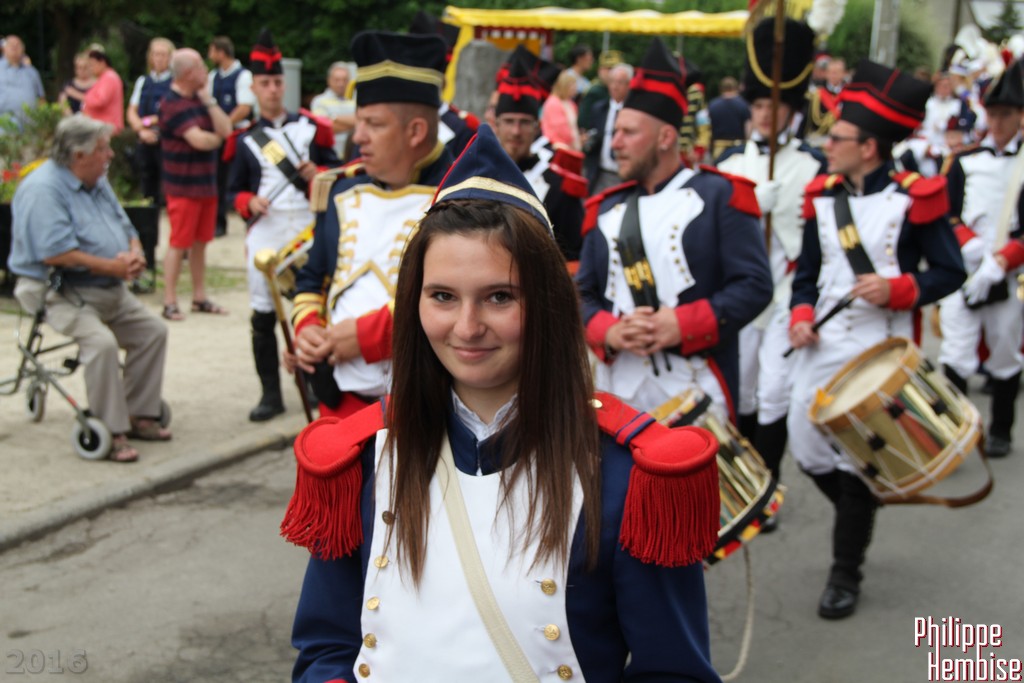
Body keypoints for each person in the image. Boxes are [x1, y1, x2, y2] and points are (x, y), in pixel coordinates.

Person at [282, 123, 723, 682]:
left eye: (498, 297)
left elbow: (674, 672)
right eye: (443, 296)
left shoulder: (627, 476)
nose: (467, 327)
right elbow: (326, 648)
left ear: (547, 303)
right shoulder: (362, 460)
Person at [787, 60, 966, 619]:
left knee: (854, 461)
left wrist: (899, 288)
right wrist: (800, 316)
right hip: (821, 345)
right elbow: (806, 275)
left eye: (837, 138)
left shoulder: (917, 196)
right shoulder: (822, 195)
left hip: (878, 349)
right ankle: (863, 505)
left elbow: (950, 270)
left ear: (868, 148)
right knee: (806, 448)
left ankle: (846, 569)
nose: (827, 145)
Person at [576, 37, 773, 420]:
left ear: (666, 137)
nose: (615, 144)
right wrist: (608, 331)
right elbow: (582, 293)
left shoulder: (720, 195)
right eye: (616, 132)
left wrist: (682, 324)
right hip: (619, 392)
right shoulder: (605, 209)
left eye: (629, 133)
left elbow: (754, 286)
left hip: (698, 388)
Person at [291, 30, 453, 419]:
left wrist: (368, 337)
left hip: (429, 410)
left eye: (373, 124)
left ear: (415, 131)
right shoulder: (341, 190)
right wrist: (307, 329)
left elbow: (460, 303)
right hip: (339, 406)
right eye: (359, 121)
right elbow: (312, 281)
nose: (358, 136)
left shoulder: (464, 198)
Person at [7, 115, 170, 463]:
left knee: (152, 332)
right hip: (57, 291)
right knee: (101, 344)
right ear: (78, 155)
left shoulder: (96, 179)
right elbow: (56, 253)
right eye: (102, 149)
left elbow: (125, 225)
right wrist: (115, 266)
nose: (110, 155)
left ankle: (139, 413)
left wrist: (135, 254)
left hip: (107, 286)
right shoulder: (43, 190)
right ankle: (111, 428)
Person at [715, 18, 825, 502]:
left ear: (792, 110)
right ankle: (741, 483)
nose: (764, 114)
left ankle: (768, 481)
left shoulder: (813, 165)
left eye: (774, 105)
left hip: (785, 291)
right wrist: (748, 207)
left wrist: (780, 217)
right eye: (758, 105)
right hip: (742, 293)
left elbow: (816, 243)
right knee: (740, 391)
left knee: (775, 390)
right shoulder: (729, 165)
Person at [227, 30, 339, 422]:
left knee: (313, 308)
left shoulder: (313, 127)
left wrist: (317, 172)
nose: (272, 89)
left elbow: (339, 174)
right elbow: (232, 191)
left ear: (284, 84)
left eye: (277, 82)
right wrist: (248, 202)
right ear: (254, 88)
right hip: (267, 233)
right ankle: (271, 394)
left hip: (308, 230)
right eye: (265, 83)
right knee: (263, 316)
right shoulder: (244, 140)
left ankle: (315, 386)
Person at [939, 58, 1024, 458]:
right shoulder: (965, 160)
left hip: (1009, 273)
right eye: (993, 114)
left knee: (1005, 353)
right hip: (966, 268)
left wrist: (1002, 261)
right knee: (955, 352)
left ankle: (1001, 430)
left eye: (1006, 114)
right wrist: (968, 243)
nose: (998, 122)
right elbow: (946, 212)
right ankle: (956, 431)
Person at [493, 46, 588, 262]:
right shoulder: (476, 177)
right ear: (496, 125)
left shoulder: (560, 188)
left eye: (524, 123)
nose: (516, 131)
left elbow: (573, 260)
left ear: (537, 127)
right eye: (509, 121)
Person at [159, 48, 233, 321]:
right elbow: (200, 141)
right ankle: (169, 300)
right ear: (189, 73)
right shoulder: (171, 103)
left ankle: (199, 297)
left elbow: (226, 130)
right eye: (201, 67)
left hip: (206, 185)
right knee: (179, 244)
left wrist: (209, 101)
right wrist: (215, 139)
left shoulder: (201, 100)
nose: (206, 71)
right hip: (183, 188)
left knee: (201, 243)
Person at [208, 36, 256, 237]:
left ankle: (250, 218)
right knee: (218, 179)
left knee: (242, 177)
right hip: (220, 135)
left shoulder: (243, 75)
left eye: (212, 51)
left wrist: (225, 124)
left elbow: (244, 107)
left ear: (221, 52)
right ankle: (219, 222)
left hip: (238, 135)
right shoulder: (213, 76)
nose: (209, 55)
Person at [126, 37, 175, 204]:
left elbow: (173, 112)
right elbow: (132, 111)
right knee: (146, 180)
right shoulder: (143, 81)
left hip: (165, 138)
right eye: (155, 54)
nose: (159, 59)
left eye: (163, 55)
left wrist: (150, 122)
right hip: (144, 138)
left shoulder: (175, 82)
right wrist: (141, 129)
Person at [583, 63, 631, 195]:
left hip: (622, 176)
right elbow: (592, 134)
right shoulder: (599, 108)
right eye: (612, 82)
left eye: (620, 82)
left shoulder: (633, 111)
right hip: (599, 174)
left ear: (629, 85)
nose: (615, 86)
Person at [309, 62, 356, 160]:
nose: (341, 84)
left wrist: (333, 117)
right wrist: (354, 124)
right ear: (329, 80)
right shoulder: (319, 101)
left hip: (354, 157)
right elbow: (324, 128)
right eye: (337, 80)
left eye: (344, 80)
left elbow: (363, 121)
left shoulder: (358, 99)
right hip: (331, 159)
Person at [0, 35, 45, 122]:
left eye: (18, 45)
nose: (14, 47)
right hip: (3, 125)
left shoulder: (32, 72)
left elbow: (41, 99)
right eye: (11, 44)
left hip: (30, 125)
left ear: (23, 49)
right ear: (3, 48)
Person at [707, 76, 750, 161]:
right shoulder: (743, 104)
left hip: (719, 149)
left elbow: (708, 130)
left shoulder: (712, 105)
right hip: (739, 149)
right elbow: (748, 128)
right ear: (735, 87)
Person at [82, 49, 124, 133]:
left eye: (92, 65)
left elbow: (100, 101)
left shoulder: (109, 77)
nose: (91, 68)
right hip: (99, 124)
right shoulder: (103, 78)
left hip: (105, 125)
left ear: (102, 63)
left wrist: (78, 96)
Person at [540, 69, 581, 151]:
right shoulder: (553, 102)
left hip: (571, 145)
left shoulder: (570, 103)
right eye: (572, 86)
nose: (575, 88)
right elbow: (559, 129)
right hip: (558, 146)